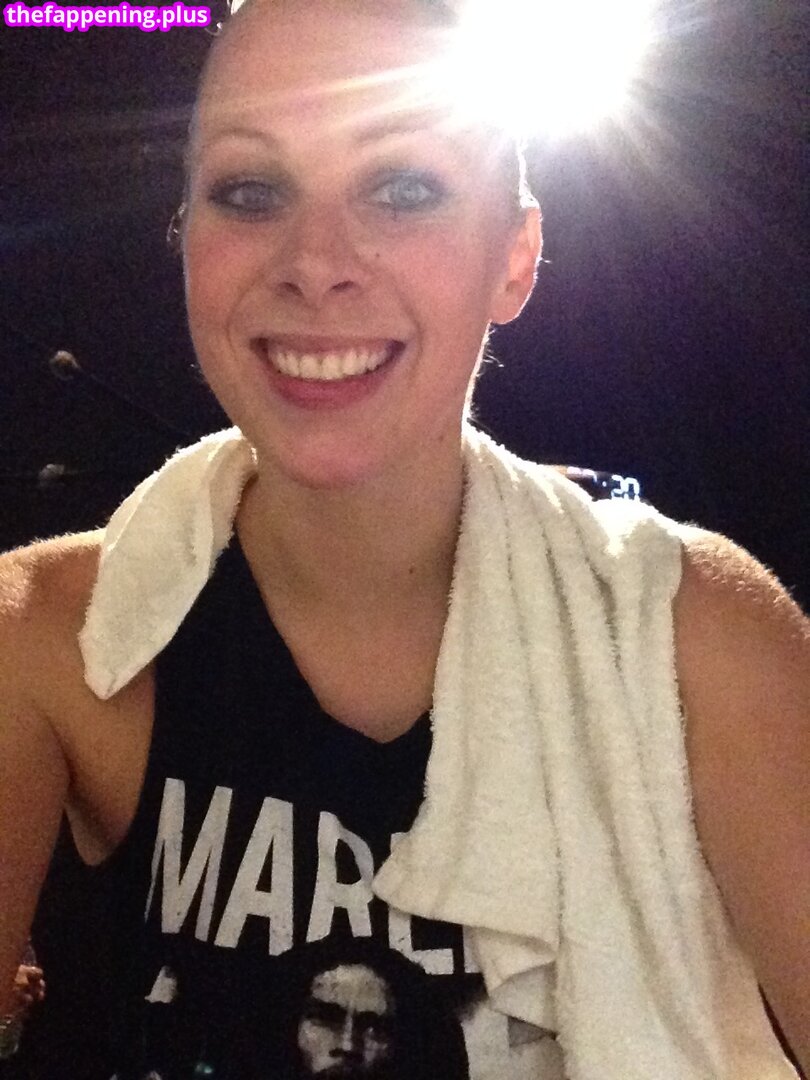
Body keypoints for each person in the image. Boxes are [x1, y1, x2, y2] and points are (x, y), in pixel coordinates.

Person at [0, 1, 807, 1078]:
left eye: (405, 188)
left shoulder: (698, 636)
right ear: (187, 238)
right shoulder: (48, 641)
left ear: (515, 257)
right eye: (251, 191)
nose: (316, 262)